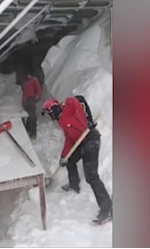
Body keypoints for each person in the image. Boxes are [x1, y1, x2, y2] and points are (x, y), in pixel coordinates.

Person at [41, 96, 112, 224]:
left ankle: (107, 208)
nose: (49, 117)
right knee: (70, 160)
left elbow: (76, 101)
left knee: (91, 176)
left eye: (48, 113)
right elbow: (69, 138)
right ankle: (74, 184)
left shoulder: (68, 108)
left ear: (53, 109)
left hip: (90, 139)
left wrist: (87, 119)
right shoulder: (62, 121)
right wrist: (64, 156)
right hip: (82, 142)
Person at [21, 74, 42, 140]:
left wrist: (37, 97)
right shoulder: (24, 81)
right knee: (29, 116)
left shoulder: (34, 80)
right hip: (26, 101)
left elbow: (38, 90)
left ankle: (33, 134)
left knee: (32, 117)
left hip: (31, 99)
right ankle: (27, 131)